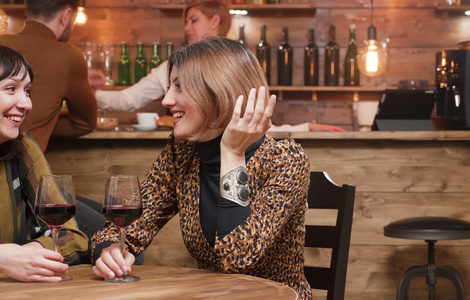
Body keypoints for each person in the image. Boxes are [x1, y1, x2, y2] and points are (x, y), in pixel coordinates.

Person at [91, 37, 313, 299]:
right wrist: (108, 250)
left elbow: (237, 257)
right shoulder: (182, 153)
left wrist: (231, 152)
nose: (166, 100)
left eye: (180, 87)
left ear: (219, 95)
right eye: (169, 87)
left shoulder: (285, 159)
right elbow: (128, 228)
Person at [95, 0, 344, 133]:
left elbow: (258, 124)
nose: (187, 28)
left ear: (216, 21)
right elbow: (125, 101)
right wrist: (82, 90)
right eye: (185, 22)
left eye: (193, 20)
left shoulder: (238, 65)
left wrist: (305, 127)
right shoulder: (176, 65)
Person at [0, 45, 88, 282]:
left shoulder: (22, 147)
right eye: (11, 89)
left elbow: (72, 236)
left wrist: (31, 252)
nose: (26, 104)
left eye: (27, 91)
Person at [0, 0, 100, 152]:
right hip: (24, 170)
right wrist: (42, 125)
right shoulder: (68, 56)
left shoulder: (3, 43)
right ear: (66, 16)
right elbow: (85, 123)